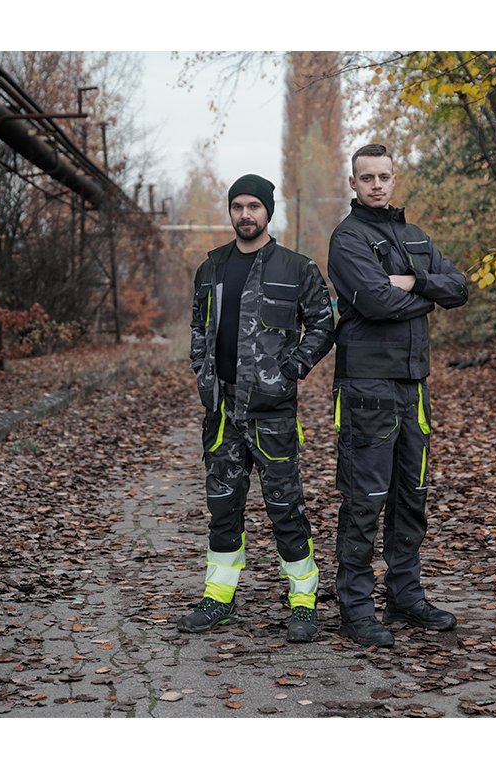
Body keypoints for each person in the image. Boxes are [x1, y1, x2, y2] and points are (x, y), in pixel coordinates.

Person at [181, 173, 335, 643]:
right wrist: (202, 370)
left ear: (268, 211)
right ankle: (218, 598)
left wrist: (290, 370)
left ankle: (303, 603)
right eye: (238, 206)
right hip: (222, 412)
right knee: (223, 508)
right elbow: (199, 327)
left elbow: (323, 323)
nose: (245, 214)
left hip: (272, 413)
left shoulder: (296, 268)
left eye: (253, 206)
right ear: (230, 211)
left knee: (286, 509)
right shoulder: (211, 268)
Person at [327, 144, 469, 647]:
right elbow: (378, 303)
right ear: (353, 183)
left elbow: (459, 288)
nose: (377, 185)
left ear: (394, 178)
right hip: (366, 386)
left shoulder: (416, 237)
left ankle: (405, 596)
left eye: (383, 176)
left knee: (412, 495)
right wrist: (427, 298)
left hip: (413, 386)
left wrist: (416, 281)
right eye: (367, 178)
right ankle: (355, 607)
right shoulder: (347, 238)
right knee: (365, 499)